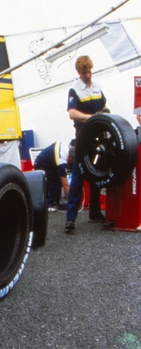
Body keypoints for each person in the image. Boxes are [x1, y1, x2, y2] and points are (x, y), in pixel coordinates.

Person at [65, 55, 107, 231]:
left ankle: (95, 212)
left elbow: (104, 106)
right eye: (84, 72)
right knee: (78, 176)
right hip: (83, 135)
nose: (88, 75)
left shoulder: (96, 87)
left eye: (89, 71)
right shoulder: (74, 90)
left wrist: (104, 115)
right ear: (79, 73)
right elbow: (72, 114)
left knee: (98, 172)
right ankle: (70, 219)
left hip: (97, 135)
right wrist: (92, 118)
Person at [33, 140, 73, 211]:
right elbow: (65, 184)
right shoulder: (62, 160)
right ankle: (50, 204)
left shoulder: (65, 145)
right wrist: (72, 203)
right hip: (41, 164)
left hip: (49, 162)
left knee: (58, 179)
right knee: (53, 182)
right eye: (72, 161)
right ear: (70, 157)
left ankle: (56, 202)